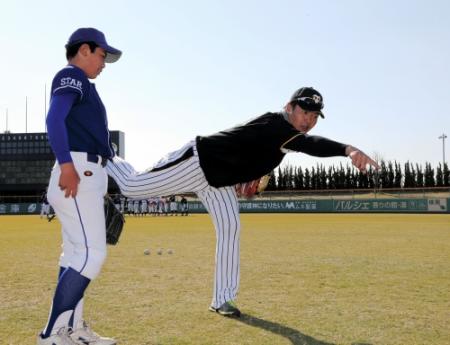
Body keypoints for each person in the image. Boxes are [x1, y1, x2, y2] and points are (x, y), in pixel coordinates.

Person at [106, 86, 379, 317]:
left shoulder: (285, 137)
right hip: (198, 162)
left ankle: (222, 298)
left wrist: (252, 174)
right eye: (304, 111)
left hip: (219, 181)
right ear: (289, 106)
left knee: (230, 228)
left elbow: (258, 152)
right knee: (132, 186)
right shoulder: (278, 125)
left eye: (314, 115)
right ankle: (108, 154)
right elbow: (311, 144)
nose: (308, 119)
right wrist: (347, 149)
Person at [38, 28, 121, 345]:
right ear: (84, 50)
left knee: (74, 255)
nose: (104, 62)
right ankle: (52, 335)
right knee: (92, 255)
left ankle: (73, 330)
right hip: (77, 171)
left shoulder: (84, 84)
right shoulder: (70, 75)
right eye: (102, 55)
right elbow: (53, 120)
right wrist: (68, 165)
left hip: (87, 172)